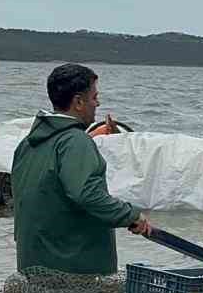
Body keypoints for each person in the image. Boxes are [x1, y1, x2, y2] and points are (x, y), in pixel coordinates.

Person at [11, 63, 153, 275]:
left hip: (32, 267)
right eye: (95, 97)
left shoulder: (27, 144)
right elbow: (86, 193)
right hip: (73, 270)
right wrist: (131, 216)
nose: (98, 103)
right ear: (78, 101)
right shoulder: (75, 141)